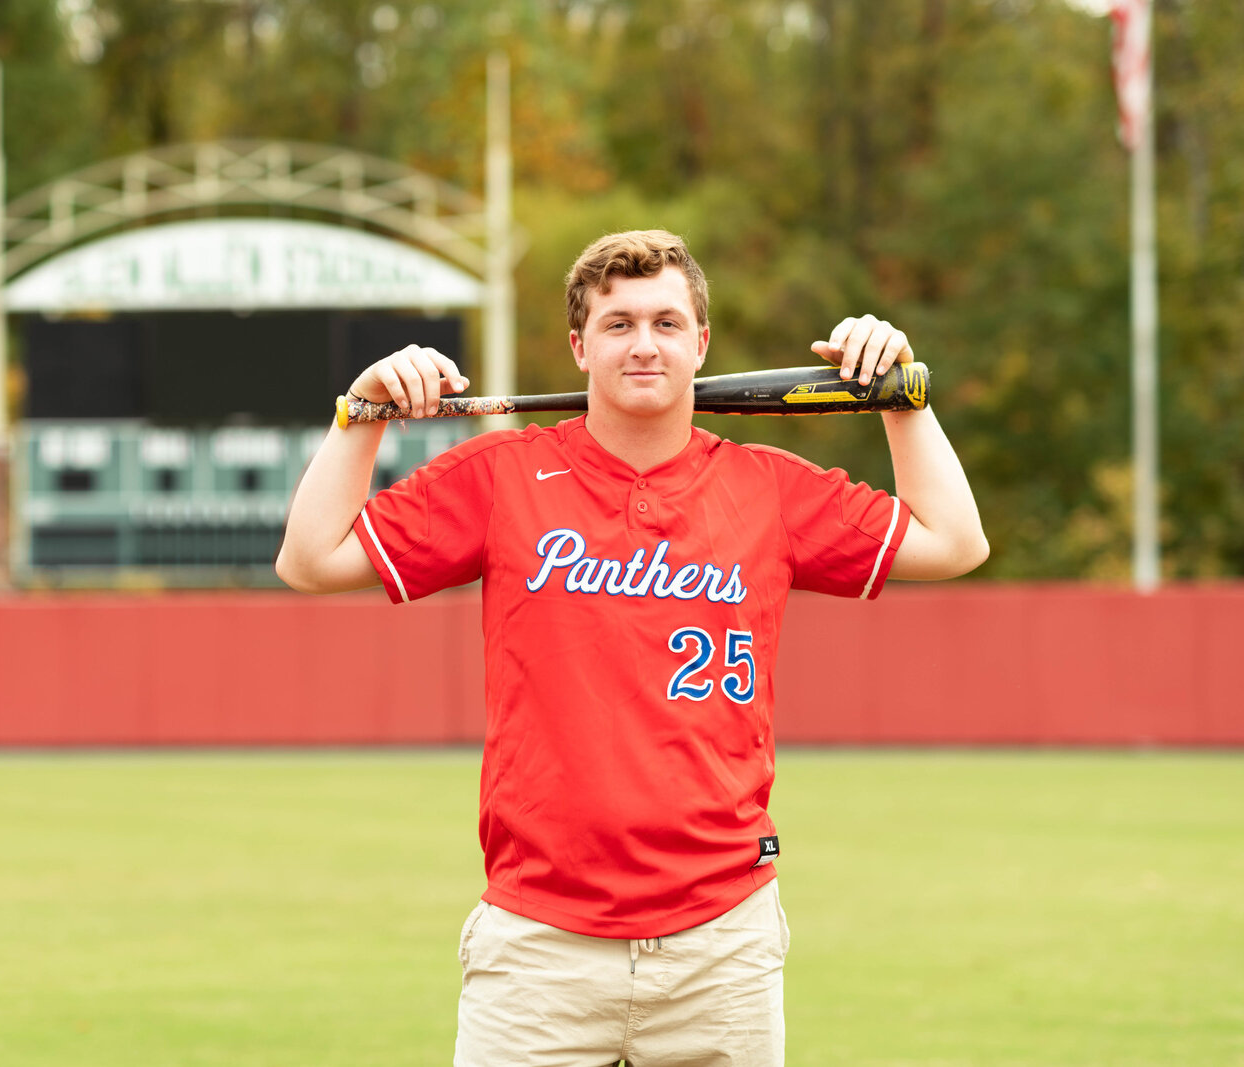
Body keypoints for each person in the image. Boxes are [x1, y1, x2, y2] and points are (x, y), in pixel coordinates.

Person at [276, 230, 987, 1066]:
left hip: (719, 943)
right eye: (618, 325)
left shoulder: (768, 486)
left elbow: (953, 540)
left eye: (665, 322)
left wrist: (901, 403)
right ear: (579, 347)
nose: (644, 344)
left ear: (701, 344)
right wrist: (362, 414)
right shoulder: (502, 476)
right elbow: (311, 559)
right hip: (538, 946)